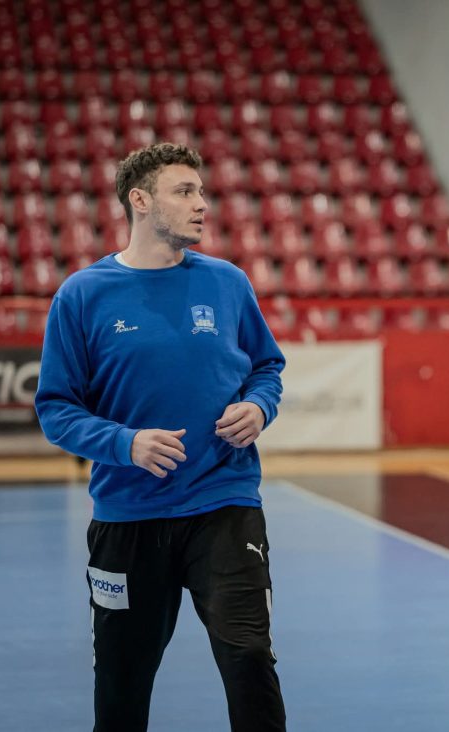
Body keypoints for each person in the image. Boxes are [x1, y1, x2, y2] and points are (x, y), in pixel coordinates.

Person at [35, 142, 287, 732]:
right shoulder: (82, 295)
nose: (202, 204)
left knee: (249, 656)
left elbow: (266, 367)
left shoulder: (228, 283)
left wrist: (258, 406)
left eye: (201, 191)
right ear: (140, 200)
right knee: (122, 682)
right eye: (185, 191)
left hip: (225, 503)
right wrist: (126, 444)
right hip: (128, 515)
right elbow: (56, 409)